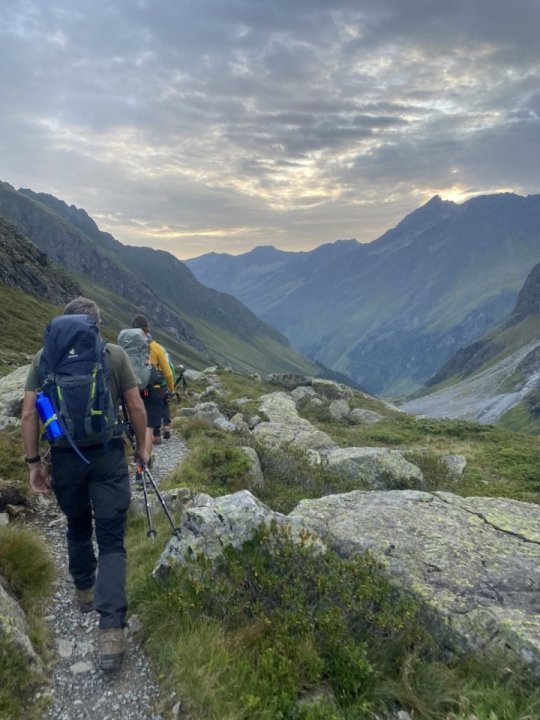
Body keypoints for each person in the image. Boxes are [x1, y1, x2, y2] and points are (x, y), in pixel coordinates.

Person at [21, 297, 149, 672]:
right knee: (110, 539)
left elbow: (28, 414)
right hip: (107, 456)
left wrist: (33, 464)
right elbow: (136, 406)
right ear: (95, 324)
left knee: (77, 525)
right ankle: (111, 631)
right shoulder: (113, 354)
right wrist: (142, 448)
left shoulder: (43, 358)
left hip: (64, 459)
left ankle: (84, 589)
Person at [131, 315, 175, 453]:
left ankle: (137, 448)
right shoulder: (155, 347)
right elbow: (168, 373)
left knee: (139, 422)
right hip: (153, 389)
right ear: (147, 330)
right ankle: (146, 458)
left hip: (133, 389)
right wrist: (172, 389)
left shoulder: (127, 347)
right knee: (149, 425)